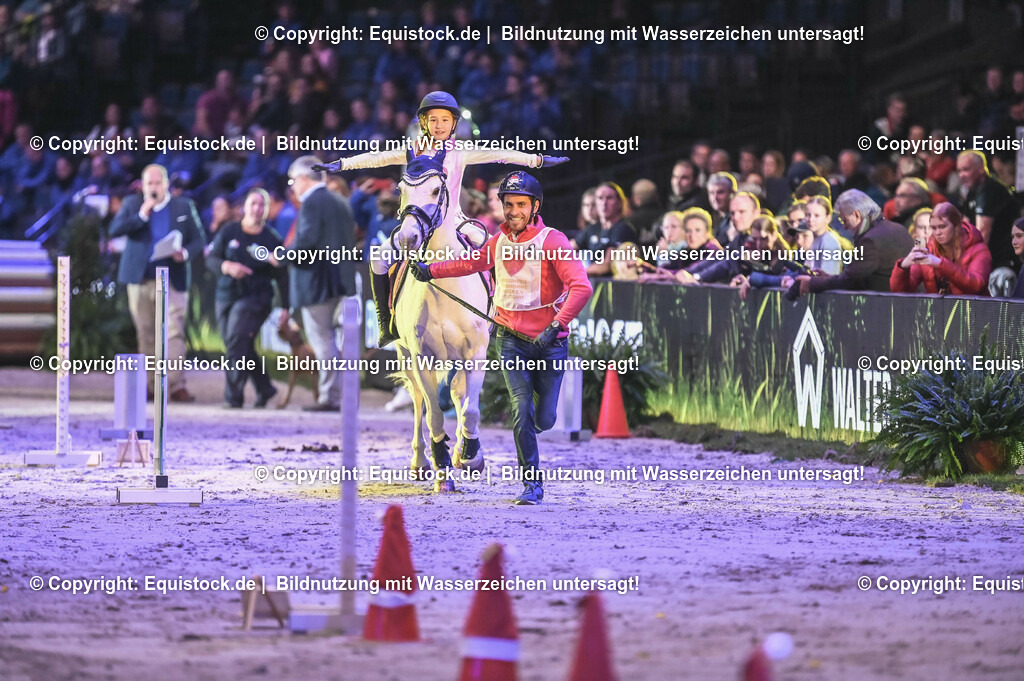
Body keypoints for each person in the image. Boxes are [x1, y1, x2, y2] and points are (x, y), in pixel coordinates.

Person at [314, 91, 567, 347]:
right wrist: (342, 164)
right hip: (417, 222)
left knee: (495, 249)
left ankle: (501, 313)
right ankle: (385, 321)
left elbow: (499, 153)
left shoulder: (461, 151)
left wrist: (537, 160)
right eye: (433, 120)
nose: (439, 126)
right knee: (379, 258)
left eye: (445, 120)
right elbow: (377, 157)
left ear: (453, 124)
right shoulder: (413, 150)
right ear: (424, 122)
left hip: (454, 221)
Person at [410, 171, 592, 505]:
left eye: (521, 204)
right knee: (521, 410)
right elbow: (472, 261)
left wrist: (556, 324)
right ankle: (532, 485)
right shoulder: (497, 241)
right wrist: (431, 270)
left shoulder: (554, 241)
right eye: (508, 204)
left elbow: (582, 288)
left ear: (535, 206)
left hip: (550, 343)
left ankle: (535, 436)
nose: (513, 211)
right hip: (510, 341)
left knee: (544, 419)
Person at [109, 164, 205, 402]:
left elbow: (199, 239)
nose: (153, 187)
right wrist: (142, 214)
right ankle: (151, 385)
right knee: (146, 332)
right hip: (140, 278)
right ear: (143, 185)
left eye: (157, 182)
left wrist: (184, 253)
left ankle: (174, 385)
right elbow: (115, 229)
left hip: (172, 278)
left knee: (173, 332)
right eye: (148, 183)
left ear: (166, 184)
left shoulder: (184, 206)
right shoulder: (133, 204)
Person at [283, 156, 356, 411]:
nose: (292, 186)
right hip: (339, 281)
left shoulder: (312, 202)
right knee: (334, 341)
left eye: (293, 180)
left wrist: (280, 257)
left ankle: (330, 396)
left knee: (323, 341)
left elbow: (306, 243)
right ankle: (339, 394)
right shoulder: (340, 200)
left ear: (304, 178)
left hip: (316, 283)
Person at [205, 189, 286, 408]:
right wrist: (227, 266)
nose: (257, 208)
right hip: (226, 295)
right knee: (240, 343)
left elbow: (282, 274)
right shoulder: (229, 231)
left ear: (266, 210)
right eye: (253, 204)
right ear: (244, 207)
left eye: (262, 205)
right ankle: (265, 388)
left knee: (236, 341)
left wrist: (286, 307)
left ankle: (233, 397)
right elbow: (211, 259)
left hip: (256, 297)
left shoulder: (271, 239)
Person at [790, 189, 914, 296]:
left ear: (856, 215)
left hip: (886, 310)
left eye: (844, 220)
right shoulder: (899, 228)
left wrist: (811, 284)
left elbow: (849, 280)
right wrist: (828, 278)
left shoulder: (870, 240)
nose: (844, 227)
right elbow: (858, 278)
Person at [890, 202, 992, 296]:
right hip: (941, 313)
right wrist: (903, 266)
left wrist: (940, 264)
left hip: (974, 312)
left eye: (942, 227)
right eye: (933, 228)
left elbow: (977, 286)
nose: (937, 233)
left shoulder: (979, 250)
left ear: (956, 226)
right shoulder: (927, 249)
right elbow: (900, 291)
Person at [955, 150, 1018, 270]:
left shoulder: (989, 189)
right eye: (959, 170)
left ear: (981, 169)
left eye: (966, 169)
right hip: (990, 261)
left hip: (1002, 265)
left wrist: (966, 266)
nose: (961, 175)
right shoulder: (972, 191)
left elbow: (982, 233)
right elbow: (964, 229)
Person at [574, 181, 637, 276]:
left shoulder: (623, 229)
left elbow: (606, 265)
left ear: (619, 203)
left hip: (615, 286)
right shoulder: (592, 229)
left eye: (609, 198)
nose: (604, 202)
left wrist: (574, 275)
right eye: (600, 198)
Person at [802, 196, 853, 276]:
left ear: (828, 218)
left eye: (816, 215)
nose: (811, 219)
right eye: (808, 215)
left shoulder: (829, 242)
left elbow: (827, 277)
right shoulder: (815, 240)